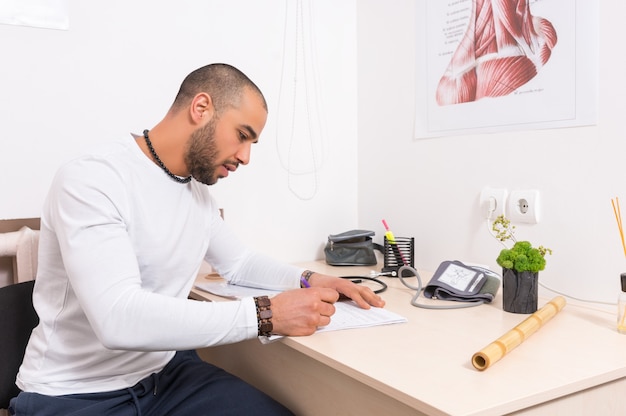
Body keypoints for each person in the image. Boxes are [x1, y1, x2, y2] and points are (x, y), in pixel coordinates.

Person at [10, 63, 384, 416]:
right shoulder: (93, 179)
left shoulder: (197, 196)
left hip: (163, 378)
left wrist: (310, 280)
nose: (246, 156)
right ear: (201, 107)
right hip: (74, 394)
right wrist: (266, 314)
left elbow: (239, 263)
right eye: (242, 136)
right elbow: (118, 319)